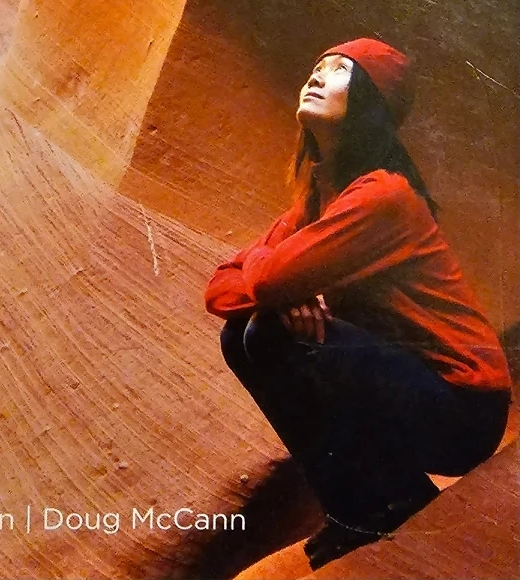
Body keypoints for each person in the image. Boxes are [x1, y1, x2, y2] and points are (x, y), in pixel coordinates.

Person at [204, 37, 513, 571]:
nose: (316, 76)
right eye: (317, 65)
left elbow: (266, 278)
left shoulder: (383, 197)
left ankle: (388, 501)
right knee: (241, 334)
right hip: (412, 390)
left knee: (267, 332)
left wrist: (280, 285)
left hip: (465, 409)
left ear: (371, 99)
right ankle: (357, 507)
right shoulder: (322, 196)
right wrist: (280, 287)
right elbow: (220, 288)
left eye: (338, 69)